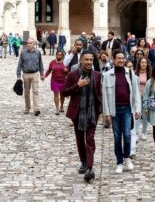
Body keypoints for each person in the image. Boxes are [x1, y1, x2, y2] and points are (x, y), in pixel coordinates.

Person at [62, 50, 102, 182]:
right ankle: (83, 162)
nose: (89, 62)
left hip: (92, 113)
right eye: (87, 60)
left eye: (91, 60)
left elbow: (100, 94)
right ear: (81, 61)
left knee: (90, 139)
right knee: (80, 139)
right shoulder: (73, 75)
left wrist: (100, 109)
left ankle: (90, 167)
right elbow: (64, 92)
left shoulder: (97, 75)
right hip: (77, 113)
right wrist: (77, 86)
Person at [103, 50, 141, 173]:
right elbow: (104, 96)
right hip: (114, 110)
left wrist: (137, 109)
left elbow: (136, 93)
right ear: (113, 59)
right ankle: (119, 162)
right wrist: (106, 113)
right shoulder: (107, 75)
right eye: (118, 58)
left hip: (127, 109)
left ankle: (127, 157)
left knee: (128, 135)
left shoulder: (130, 74)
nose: (121, 60)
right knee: (117, 137)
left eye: (122, 58)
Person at [16, 38, 44, 116]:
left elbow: (40, 64)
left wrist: (42, 74)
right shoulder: (23, 53)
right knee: (27, 92)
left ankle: (36, 109)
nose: (29, 44)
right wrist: (18, 76)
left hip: (35, 74)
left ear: (34, 44)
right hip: (26, 74)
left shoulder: (38, 52)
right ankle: (27, 107)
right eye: (28, 43)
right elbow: (19, 64)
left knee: (36, 91)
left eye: (30, 43)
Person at [43, 50, 68, 115]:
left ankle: (62, 106)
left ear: (63, 56)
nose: (59, 56)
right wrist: (45, 76)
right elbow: (49, 70)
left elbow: (69, 72)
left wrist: (66, 71)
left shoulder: (65, 63)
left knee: (62, 95)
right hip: (54, 80)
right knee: (56, 94)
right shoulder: (52, 62)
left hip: (63, 80)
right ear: (56, 55)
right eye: (58, 54)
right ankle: (57, 109)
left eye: (60, 55)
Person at [135, 57, 151, 144]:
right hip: (137, 97)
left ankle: (144, 132)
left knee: (145, 115)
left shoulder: (149, 74)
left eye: (145, 62)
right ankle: (136, 133)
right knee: (137, 114)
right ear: (139, 63)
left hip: (146, 97)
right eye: (142, 62)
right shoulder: (135, 73)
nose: (144, 64)